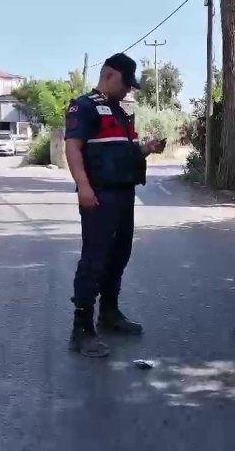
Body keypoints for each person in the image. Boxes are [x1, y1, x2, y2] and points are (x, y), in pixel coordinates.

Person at [64, 52, 165, 358]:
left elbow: (124, 153)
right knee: (94, 259)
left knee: (119, 255)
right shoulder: (83, 106)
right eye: (125, 83)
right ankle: (81, 329)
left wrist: (146, 149)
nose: (128, 90)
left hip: (123, 195)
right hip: (99, 196)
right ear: (108, 75)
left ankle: (109, 313)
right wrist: (83, 186)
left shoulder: (120, 112)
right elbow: (73, 147)